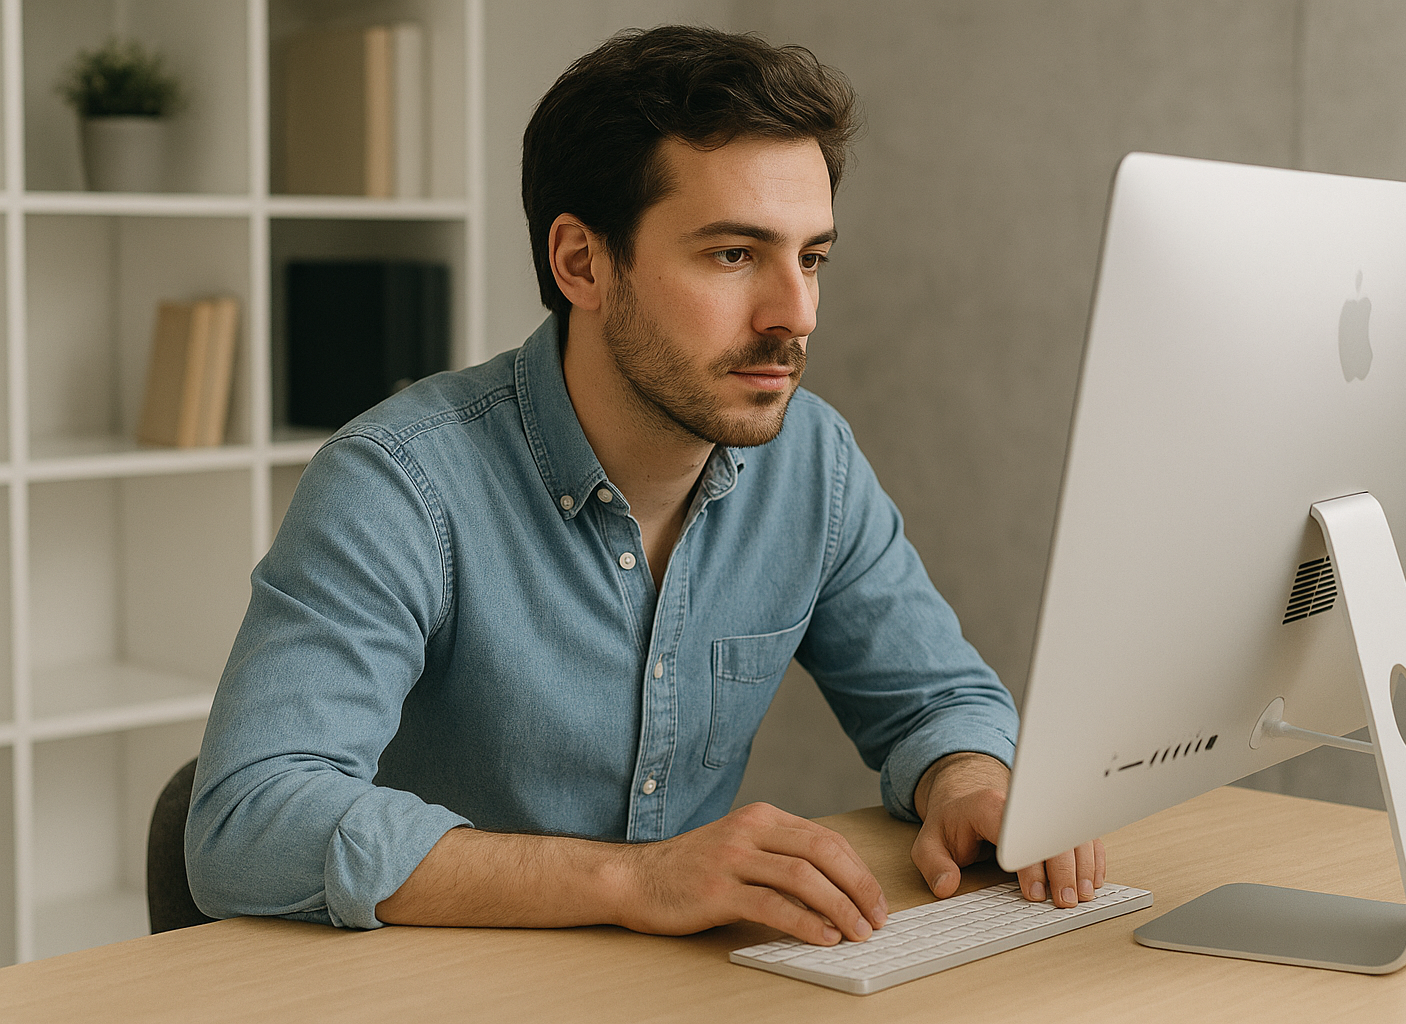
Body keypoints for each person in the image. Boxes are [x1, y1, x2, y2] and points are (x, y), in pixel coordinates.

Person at [186, 25, 1104, 948]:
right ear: (582, 262)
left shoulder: (811, 460)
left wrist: (969, 781)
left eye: (812, 257)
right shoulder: (399, 483)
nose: (797, 315)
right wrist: (635, 881)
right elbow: (246, 819)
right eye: (734, 255)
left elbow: (938, 700)